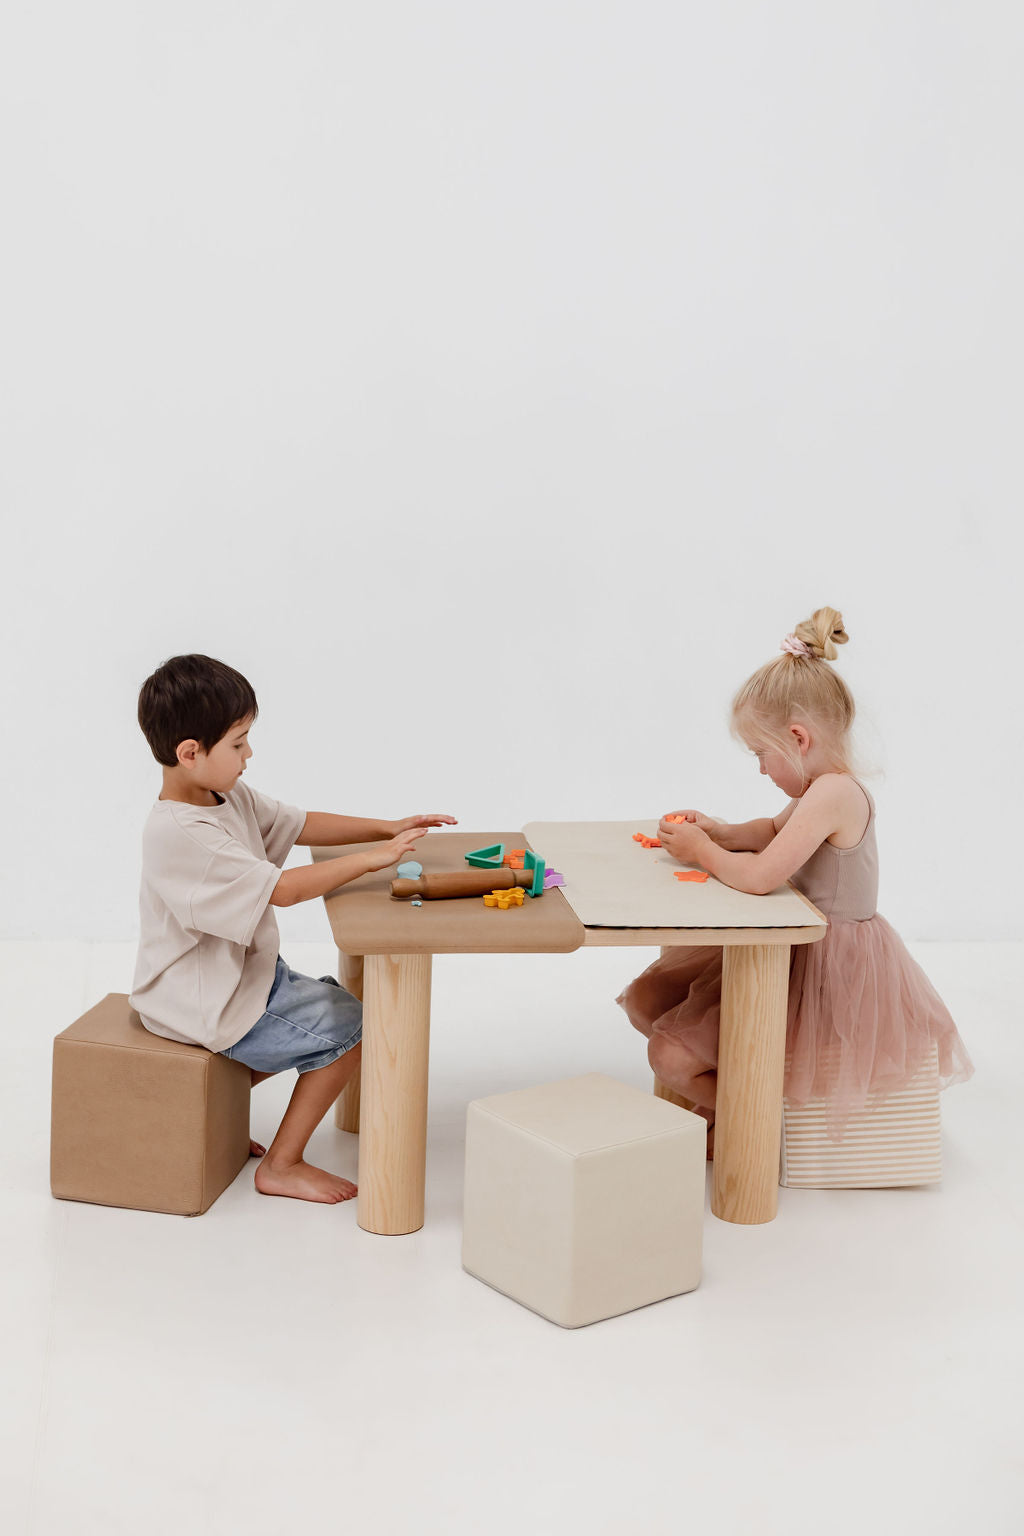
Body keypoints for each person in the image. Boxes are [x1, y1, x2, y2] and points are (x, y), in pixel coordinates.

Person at [617, 607, 973, 1151]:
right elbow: (768, 832)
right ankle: (735, 1095)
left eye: (762, 754)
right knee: (646, 998)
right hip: (790, 944)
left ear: (798, 739)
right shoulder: (817, 789)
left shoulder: (835, 793)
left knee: (668, 1054)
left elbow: (762, 876)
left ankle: (756, 1119)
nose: (761, 769)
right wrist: (719, 831)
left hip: (825, 964)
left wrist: (703, 852)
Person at [130, 653, 456, 1204]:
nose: (249, 755)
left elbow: (298, 822)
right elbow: (281, 889)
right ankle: (282, 1165)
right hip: (204, 998)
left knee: (335, 1007)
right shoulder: (181, 832)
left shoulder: (222, 794)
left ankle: (215, 1113)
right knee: (352, 1028)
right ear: (190, 753)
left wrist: (386, 827)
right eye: (238, 743)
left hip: (238, 975)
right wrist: (373, 859)